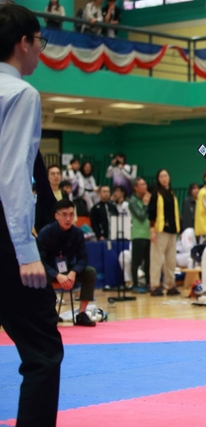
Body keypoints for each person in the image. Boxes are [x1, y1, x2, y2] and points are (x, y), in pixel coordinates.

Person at [0, 4, 64, 425]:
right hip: (5, 235)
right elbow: (11, 176)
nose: (40, 49)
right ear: (24, 43)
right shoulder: (20, 93)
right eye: (39, 41)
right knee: (42, 351)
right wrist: (26, 252)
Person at [37, 199, 97, 327]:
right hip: (49, 271)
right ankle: (49, 312)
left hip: (68, 271)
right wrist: (57, 275)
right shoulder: (45, 233)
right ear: (56, 216)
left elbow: (83, 258)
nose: (68, 219)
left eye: (71, 214)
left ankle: (81, 313)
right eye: (64, 215)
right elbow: (39, 261)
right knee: (39, 274)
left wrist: (73, 272)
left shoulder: (77, 233)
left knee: (90, 272)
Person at [148, 169, 181, 297]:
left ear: (169, 178)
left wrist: (179, 229)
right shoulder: (156, 194)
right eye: (161, 176)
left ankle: (170, 285)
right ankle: (155, 286)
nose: (164, 178)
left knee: (171, 260)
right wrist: (152, 230)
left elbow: (176, 213)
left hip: (172, 231)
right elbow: (151, 212)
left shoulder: (172, 194)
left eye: (165, 176)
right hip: (160, 230)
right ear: (158, 179)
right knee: (157, 259)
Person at [129, 177, 151, 292]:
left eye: (145, 184)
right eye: (142, 184)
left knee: (148, 261)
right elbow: (141, 216)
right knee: (136, 261)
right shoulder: (132, 201)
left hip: (149, 234)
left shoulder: (147, 198)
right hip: (138, 235)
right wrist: (146, 204)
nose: (145, 186)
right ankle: (135, 285)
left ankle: (148, 283)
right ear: (135, 188)